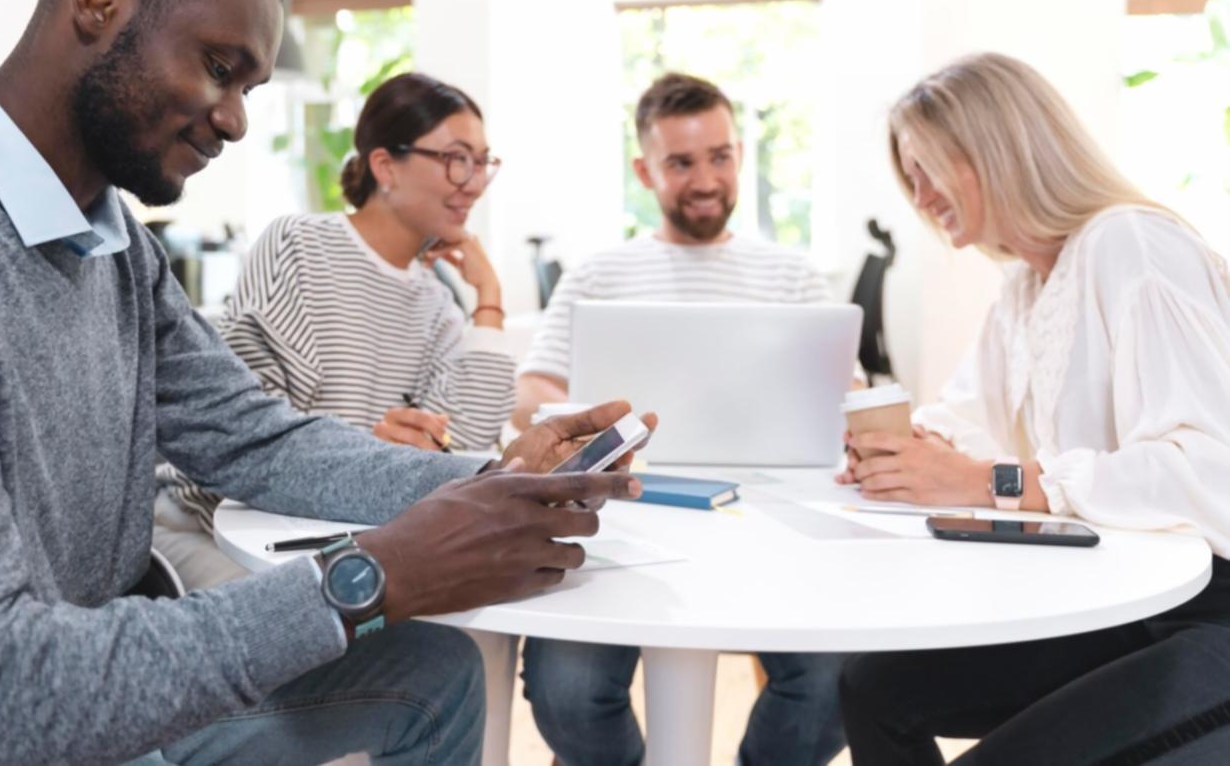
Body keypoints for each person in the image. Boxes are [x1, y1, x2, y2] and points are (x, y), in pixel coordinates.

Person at [0, 0, 643, 766]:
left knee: (435, 674)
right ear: (97, 0)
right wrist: (369, 576)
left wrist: (486, 477)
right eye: (220, 69)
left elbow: (258, 440)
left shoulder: (115, 249)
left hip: (97, 670)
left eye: (251, 88)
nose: (232, 120)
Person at [837, 52, 1230, 764]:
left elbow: (1207, 473)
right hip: (1129, 599)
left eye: (926, 169)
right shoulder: (1025, 289)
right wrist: (896, 447)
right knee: (871, 690)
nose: (919, 197)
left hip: (1213, 609)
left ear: (997, 152)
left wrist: (986, 482)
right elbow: (965, 417)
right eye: (910, 177)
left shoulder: (1132, 246)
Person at [514, 72, 848, 766]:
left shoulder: (790, 276)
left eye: (720, 156)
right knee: (568, 691)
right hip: (619, 516)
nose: (706, 179)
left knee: (835, 683)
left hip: (769, 521)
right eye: (682, 162)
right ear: (645, 170)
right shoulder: (600, 274)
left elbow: (842, 395)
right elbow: (534, 392)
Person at [154, 70, 516, 591]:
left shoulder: (438, 303)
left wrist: (490, 301)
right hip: (215, 527)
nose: (475, 181)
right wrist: (373, 455)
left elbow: (470, 449)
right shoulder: (298, 246)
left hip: (333, 536)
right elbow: (246, 439)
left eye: (483, 162)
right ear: (385, 165)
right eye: (457, 159)